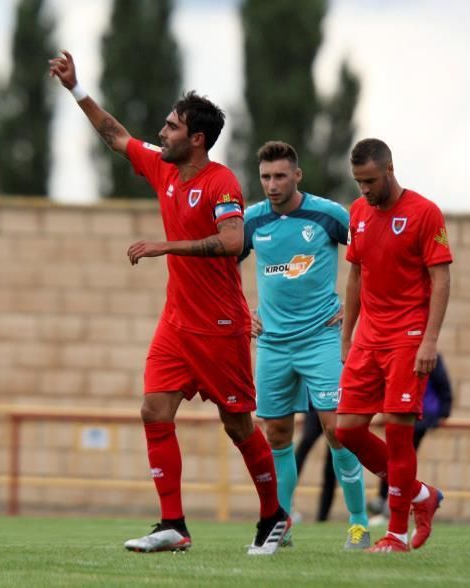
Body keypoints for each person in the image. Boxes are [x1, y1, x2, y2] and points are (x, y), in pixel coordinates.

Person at [48, 51, 289, 556]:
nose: (163, 131)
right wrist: (76, 89)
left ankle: (274, 516)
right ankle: (173, 525)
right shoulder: (162, 169)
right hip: (177, 323)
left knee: (238, 424)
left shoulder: (221, 182)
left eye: (172, 126)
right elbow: (115, 134)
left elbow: (230, 242)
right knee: (154, 411)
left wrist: (165, 246)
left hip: (221, 324)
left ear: (196, 138)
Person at [240, 141, 370, 549]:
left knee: (338, 430)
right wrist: (244, 312)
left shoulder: (328, 215)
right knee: (276, 434)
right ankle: (281, 525)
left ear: (297, 175)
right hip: (273, 345)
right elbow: (222, 268)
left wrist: (356, 312)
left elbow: (373, 255)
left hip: (321, 339)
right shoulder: (250, 221)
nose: (272, 185)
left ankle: (359, 522)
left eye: (280, 176)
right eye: (265, 177)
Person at [334, 138, 453, 553]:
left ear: (389, 169)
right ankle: (421, 495)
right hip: (368, 337)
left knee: (399, 434)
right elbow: (355, 276)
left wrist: (429, 340)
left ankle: (396, 534)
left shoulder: (424, 212)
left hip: (407, 337)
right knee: (346, 430)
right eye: (358, 182)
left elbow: (440, 278)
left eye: (369, 180)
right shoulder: (357, 212)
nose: (364, 189)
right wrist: (347, 336)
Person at [368, 354, 453, 521]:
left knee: (399, 457)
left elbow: (444, 386)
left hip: (421, 415)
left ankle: (392, 503)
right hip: (400, 410)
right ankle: (389, 499)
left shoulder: (430, 357)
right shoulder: (397, 355)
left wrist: (443, 413)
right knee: (394, 456)